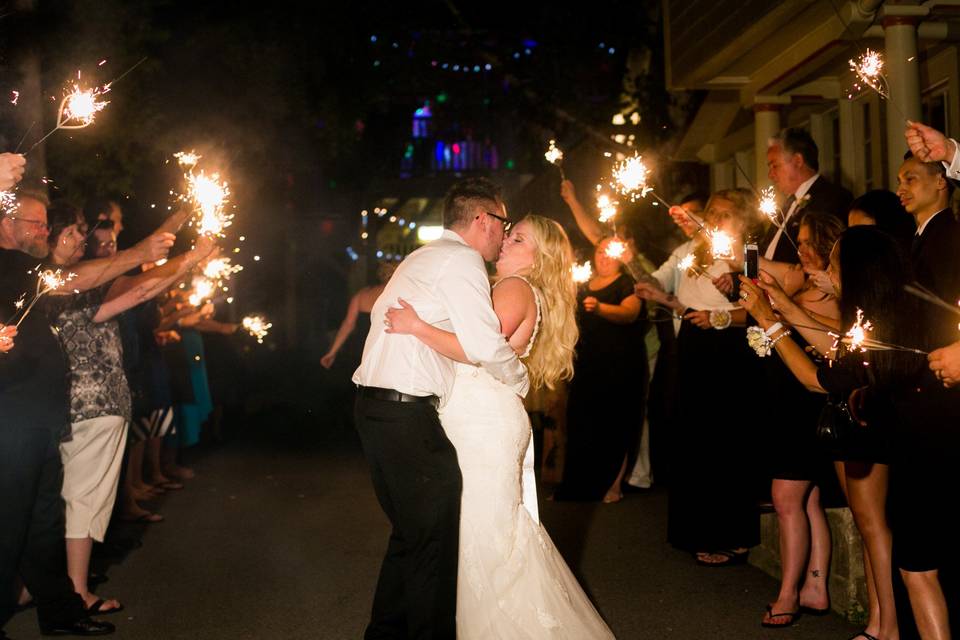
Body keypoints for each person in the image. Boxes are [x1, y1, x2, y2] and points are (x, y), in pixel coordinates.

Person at [384, 214, 614, 638]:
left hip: (484, 426)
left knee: (485, 538)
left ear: (538, 258)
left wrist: (417, 327)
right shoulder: (511, 288)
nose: (506, 240)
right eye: (510, 233)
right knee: (486, 534)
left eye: (519, 238)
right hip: (482, 418)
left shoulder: (515, 287)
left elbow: (481, 350)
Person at [739, 225, 958, 640]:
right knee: (924, 572)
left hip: (921, 461)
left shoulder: (876, 328)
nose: (828, 273)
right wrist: (784, 303)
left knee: (918, 575)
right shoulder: (901, 311)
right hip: (937, 451)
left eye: (835, 265)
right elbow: (838, 345)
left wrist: (768, 319)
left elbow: (816, 377)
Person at [351, 177, 529, 639]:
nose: (504, 235)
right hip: (404, 413)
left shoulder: (424, 255)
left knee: (411, 535)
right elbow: (486, 344)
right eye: (503, 223)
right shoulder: (461, 259)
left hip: (375, 408)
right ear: (482, 220)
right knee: (432, 541)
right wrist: (521, 379)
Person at [44, 201, 213, 616]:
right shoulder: (62, 285)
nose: (81, 240)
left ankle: (52, 584)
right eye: (73, 233)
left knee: (71, 499)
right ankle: (76, 591)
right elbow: (138, 287)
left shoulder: (72, 283)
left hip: (82, 408)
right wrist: (190, 256)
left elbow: (144, 284)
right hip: (88, 407)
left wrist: (187, 253)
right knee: (82, 500)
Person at [1, 188, 115, 637]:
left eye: (47, 222)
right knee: (9, 525)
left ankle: (59, 611)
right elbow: (76, 280)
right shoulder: (11, 267)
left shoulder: (24, 271)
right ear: (5, 222)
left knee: (41, 523)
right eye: (36, 223)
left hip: (39, 420)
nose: (44, 231)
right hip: (11, 421)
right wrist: (146, 252)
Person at [635, 188, 761, 567]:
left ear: (742, 220)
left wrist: (718, 317)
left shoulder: (748, 255)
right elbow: (673, 293)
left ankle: (732, 534)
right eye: (713, 212)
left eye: (724, 214)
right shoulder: (693, 250)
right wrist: (658, 292)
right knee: (692, 436)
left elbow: (761, 312)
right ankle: (695, 530)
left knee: (725, 441)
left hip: (729, 350)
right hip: (692, 343)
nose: (716, 220)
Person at [750, 213, 844, 628]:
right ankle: (816, 587)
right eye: (800, 241)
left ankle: (788, 595)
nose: (802, 249)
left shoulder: (836, 291)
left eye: (811, 243)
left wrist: (778, 317)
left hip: (809, 405)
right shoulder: (804, 283)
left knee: (787, 498)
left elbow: (832, 342)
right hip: (786, 402)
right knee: (808, 500)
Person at [553, 236, 644, 503]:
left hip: (619, 366)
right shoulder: (582, 283)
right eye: (600, 251)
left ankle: (612, 486)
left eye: (610, 252)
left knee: (615, 423)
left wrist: (601, 307)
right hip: (586, 364)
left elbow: (630, 313)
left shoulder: (627, 283)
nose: (604, 257)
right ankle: (577, 485)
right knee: (582, 422)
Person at [764, 128, 852, 263]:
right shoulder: (786, 205)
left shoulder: (832, 197)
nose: (770, 175)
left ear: (798, 161)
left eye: (775, 166)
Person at [321, 261, 396, 370]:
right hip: (381, 354)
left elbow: (348, 324)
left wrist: (332, 352)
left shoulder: (362, 294)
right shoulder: (398, 296)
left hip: (357, 351)